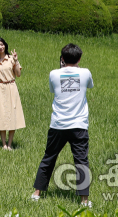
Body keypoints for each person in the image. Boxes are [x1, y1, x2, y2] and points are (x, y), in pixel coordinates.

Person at [31, 43, 93, 208]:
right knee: (81, 162)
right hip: (79, 125)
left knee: (49, 157)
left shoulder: (53, 74)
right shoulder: (85, 73)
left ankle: (37, 193)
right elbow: (89, 85)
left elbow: (53, 90)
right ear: (79, 58)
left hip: (58, 124)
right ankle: (84, 201)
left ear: (62, 59)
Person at [0, 37, 25, 150]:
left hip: (11, 87)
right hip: (0, 88)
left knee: (12, 115)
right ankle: (3, 144)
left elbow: (18, 74)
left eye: (2, 44)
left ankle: (10, 144)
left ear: (5, 45)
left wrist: (16, 60)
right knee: (1, 115)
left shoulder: (11, 58)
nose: (0, 47)